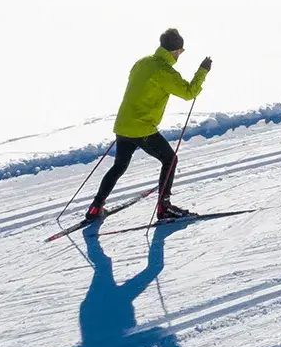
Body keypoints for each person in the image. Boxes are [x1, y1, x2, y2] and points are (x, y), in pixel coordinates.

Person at [88, 28, 212, 223]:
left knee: (119, 165)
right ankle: (164, 208)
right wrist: (202, 72)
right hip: (142, 128)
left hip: (123, 124)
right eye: (181, 51)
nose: (180, 55)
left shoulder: (142, 62)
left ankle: (96, 207)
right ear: (174, 51)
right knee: (170, 160)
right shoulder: (165, 72)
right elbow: (189, 93)